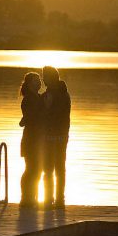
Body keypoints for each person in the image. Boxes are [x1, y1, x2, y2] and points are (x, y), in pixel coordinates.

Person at [42, 66, 71, 208]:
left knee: (48, 169)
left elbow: (50, 115)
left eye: (44, 76)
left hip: (51, 136)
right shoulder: (64, 93)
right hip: (62, 136)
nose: (42, 79)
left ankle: (49, 199)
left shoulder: (52, 94)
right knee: (60, 168)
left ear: (50, 77)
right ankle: (60, 200)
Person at [19, 72, 44, 208]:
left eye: (39, 80)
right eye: (36, 80)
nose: (39, 82)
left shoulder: (39, 97)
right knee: (31, 169)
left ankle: (32, 197)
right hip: (31, 140)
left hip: (39, 140)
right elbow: (31, 117)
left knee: (37, 169)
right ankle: (26, 198)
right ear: (29, 84)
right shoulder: (28, 99)